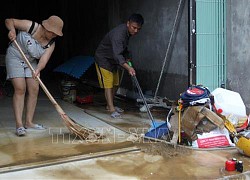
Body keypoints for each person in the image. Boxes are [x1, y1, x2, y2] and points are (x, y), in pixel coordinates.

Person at [5, 15, 64, 136]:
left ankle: (29, 122)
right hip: (15, 56)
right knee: (20, 88)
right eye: (53, 33)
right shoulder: (31, 26)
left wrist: (38, 69)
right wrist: (12, 30)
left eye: (56, 34)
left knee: (34, 88)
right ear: (46, 27)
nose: (55, 36)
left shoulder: (51, 44)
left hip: (31, 62)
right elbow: (9, 21)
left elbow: (43, 60)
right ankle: (19, 125)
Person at [94, 13, 144, 118]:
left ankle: (109, 105)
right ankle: (111, 108)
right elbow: (117, 55)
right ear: (128, 23)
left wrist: (127, 57)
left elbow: (123, 49)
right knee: (109, 83)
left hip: (113, 61)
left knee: (116, 83)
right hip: (103, 59)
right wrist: (128, 67)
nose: (136, 31)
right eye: (134, 28)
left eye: (138, 29)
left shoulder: (128, 33)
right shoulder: (119, 34)